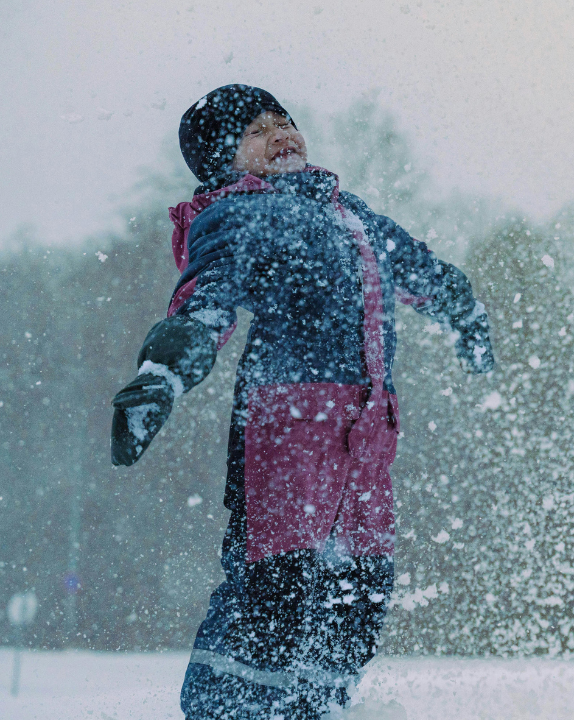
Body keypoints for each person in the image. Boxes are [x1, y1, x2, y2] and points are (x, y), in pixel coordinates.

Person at [109, 84, 495, 719]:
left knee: (360, 591)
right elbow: (206, 298)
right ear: (222, 161)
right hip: (288, 427)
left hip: (367, 438)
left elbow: (418, 267)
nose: (280, 131)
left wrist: (464, 309)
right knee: (275, 583)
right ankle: (229, 709)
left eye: (283, 119)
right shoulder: (239, 211)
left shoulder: (352, 212)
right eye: (256, 130)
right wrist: (164, 373)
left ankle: (320, 709)